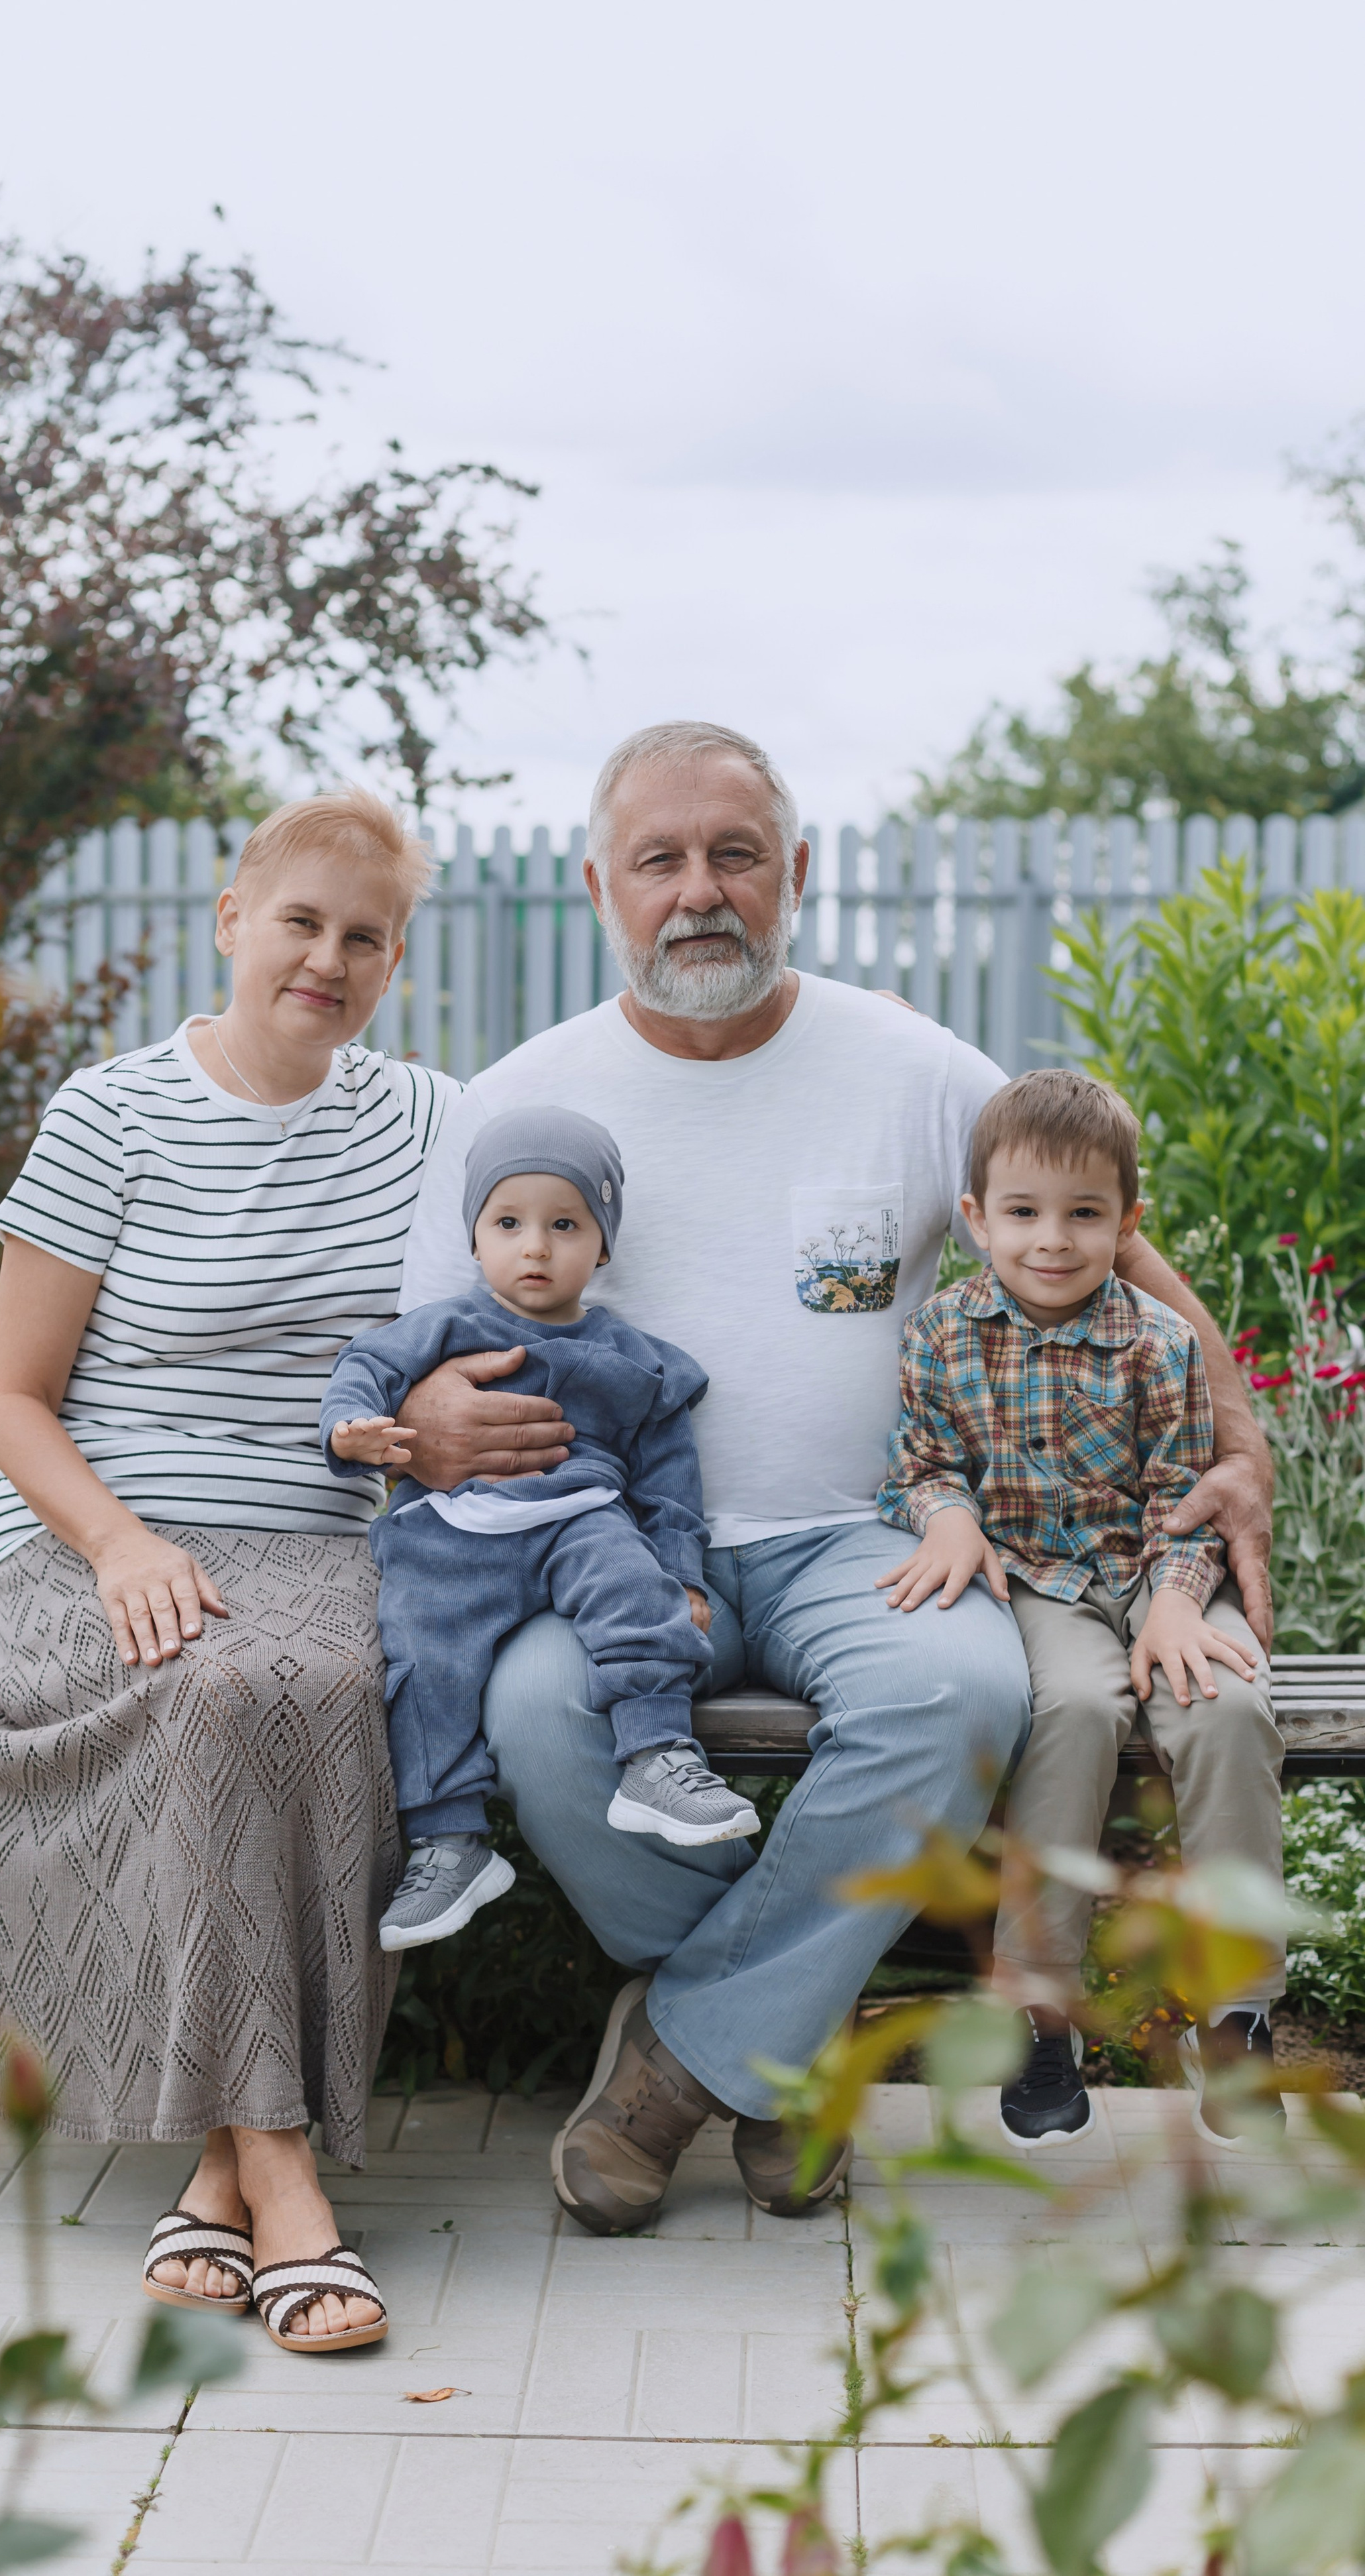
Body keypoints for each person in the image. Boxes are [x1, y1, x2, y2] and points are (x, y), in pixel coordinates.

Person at [392, 719, 1276, 2237]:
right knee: (540, 1712)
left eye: (734, 853)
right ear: (601, 885)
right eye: (659, 859)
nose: (699, 890)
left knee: (958, 1694)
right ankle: (777, 2045)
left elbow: (1109, 1243)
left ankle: (676, 2057)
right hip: (611, 1549)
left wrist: (1240, 1441)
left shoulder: (914, 1068)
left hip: (875, 1536)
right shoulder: (523, 1098)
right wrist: (424, 1416)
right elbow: (423, 1346)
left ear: (793, 870)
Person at [0, 786, 461, 2355]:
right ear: (232, 921)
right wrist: (120, 1541)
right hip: (95, 1534)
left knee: (324, 1684)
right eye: (300, 921)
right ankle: (283, 2174)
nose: (327, 959)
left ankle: (215, 2180)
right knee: (215, 1686)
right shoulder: (110, 1116)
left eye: (365, 937)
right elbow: (9, 1400)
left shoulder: (429, 1121)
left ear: (394, 962)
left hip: (325, 1538)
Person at [877, 1067, 1284, 2151]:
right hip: (1035, 1579)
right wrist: (946, 1515)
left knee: (1230, 1707)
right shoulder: (941, 1335)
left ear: (1128, 1222)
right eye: (1023, 1213)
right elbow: (921, 1463)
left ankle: (1238, 2012)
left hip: (1157, 1569)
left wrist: (1179, 1603)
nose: (1051, 1240)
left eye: (1085, 1214)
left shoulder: (1160, 1341)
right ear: (977, 1219)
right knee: (1074, 1711)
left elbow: (1183, 1494)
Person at [323, 1107, 755, 1953]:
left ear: (602, 1247)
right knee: (420, 1663)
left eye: (565, 1225)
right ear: (473, 1237)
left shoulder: (636, 1360)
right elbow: (363, 1367)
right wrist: (349, 1431)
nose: (535, 1247)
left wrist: (682, 1574)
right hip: (453, 1535)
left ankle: (657, 1758)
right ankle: (447, 1837)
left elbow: (669, 1486)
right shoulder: (444, 1330)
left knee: (638, 1595)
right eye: (508, 1223)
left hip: (578, 1523)